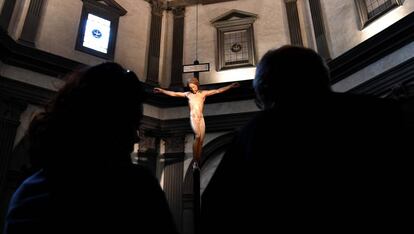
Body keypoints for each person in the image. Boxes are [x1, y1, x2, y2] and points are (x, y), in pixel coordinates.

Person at [201, 46, 410, 233]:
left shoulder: (255, 133)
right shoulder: (381, 112)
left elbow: (216, 208)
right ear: (323, 77)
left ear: (265, 89)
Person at [3, 63, 178, 234]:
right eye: (130, 125)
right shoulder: (139, 189)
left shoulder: (31, 192)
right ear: (99, 124)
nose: (136, 137)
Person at [154, 78, 239, 164]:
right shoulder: (188, 94)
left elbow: (218, 91)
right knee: (198, 136)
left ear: (197, 85)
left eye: (194, 87)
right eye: (191, 88)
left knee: (201, 140)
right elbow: (174, 94)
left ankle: (197, 160)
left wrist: (231, 86)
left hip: (201, 118)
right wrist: (161, 90)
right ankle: (195, 160)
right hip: (193, 117)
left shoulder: (203, 94)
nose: (193, 89)